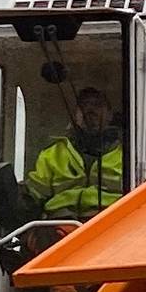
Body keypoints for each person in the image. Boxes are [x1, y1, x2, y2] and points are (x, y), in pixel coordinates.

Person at [24, 90, 128, 220]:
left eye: (97, 104)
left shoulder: (126, 156)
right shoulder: (53, 154)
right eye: (84, 105)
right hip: (60, 227)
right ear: (75, 115)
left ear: (110, 115)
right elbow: (34, 193)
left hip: (112, 224)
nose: (90, 110)